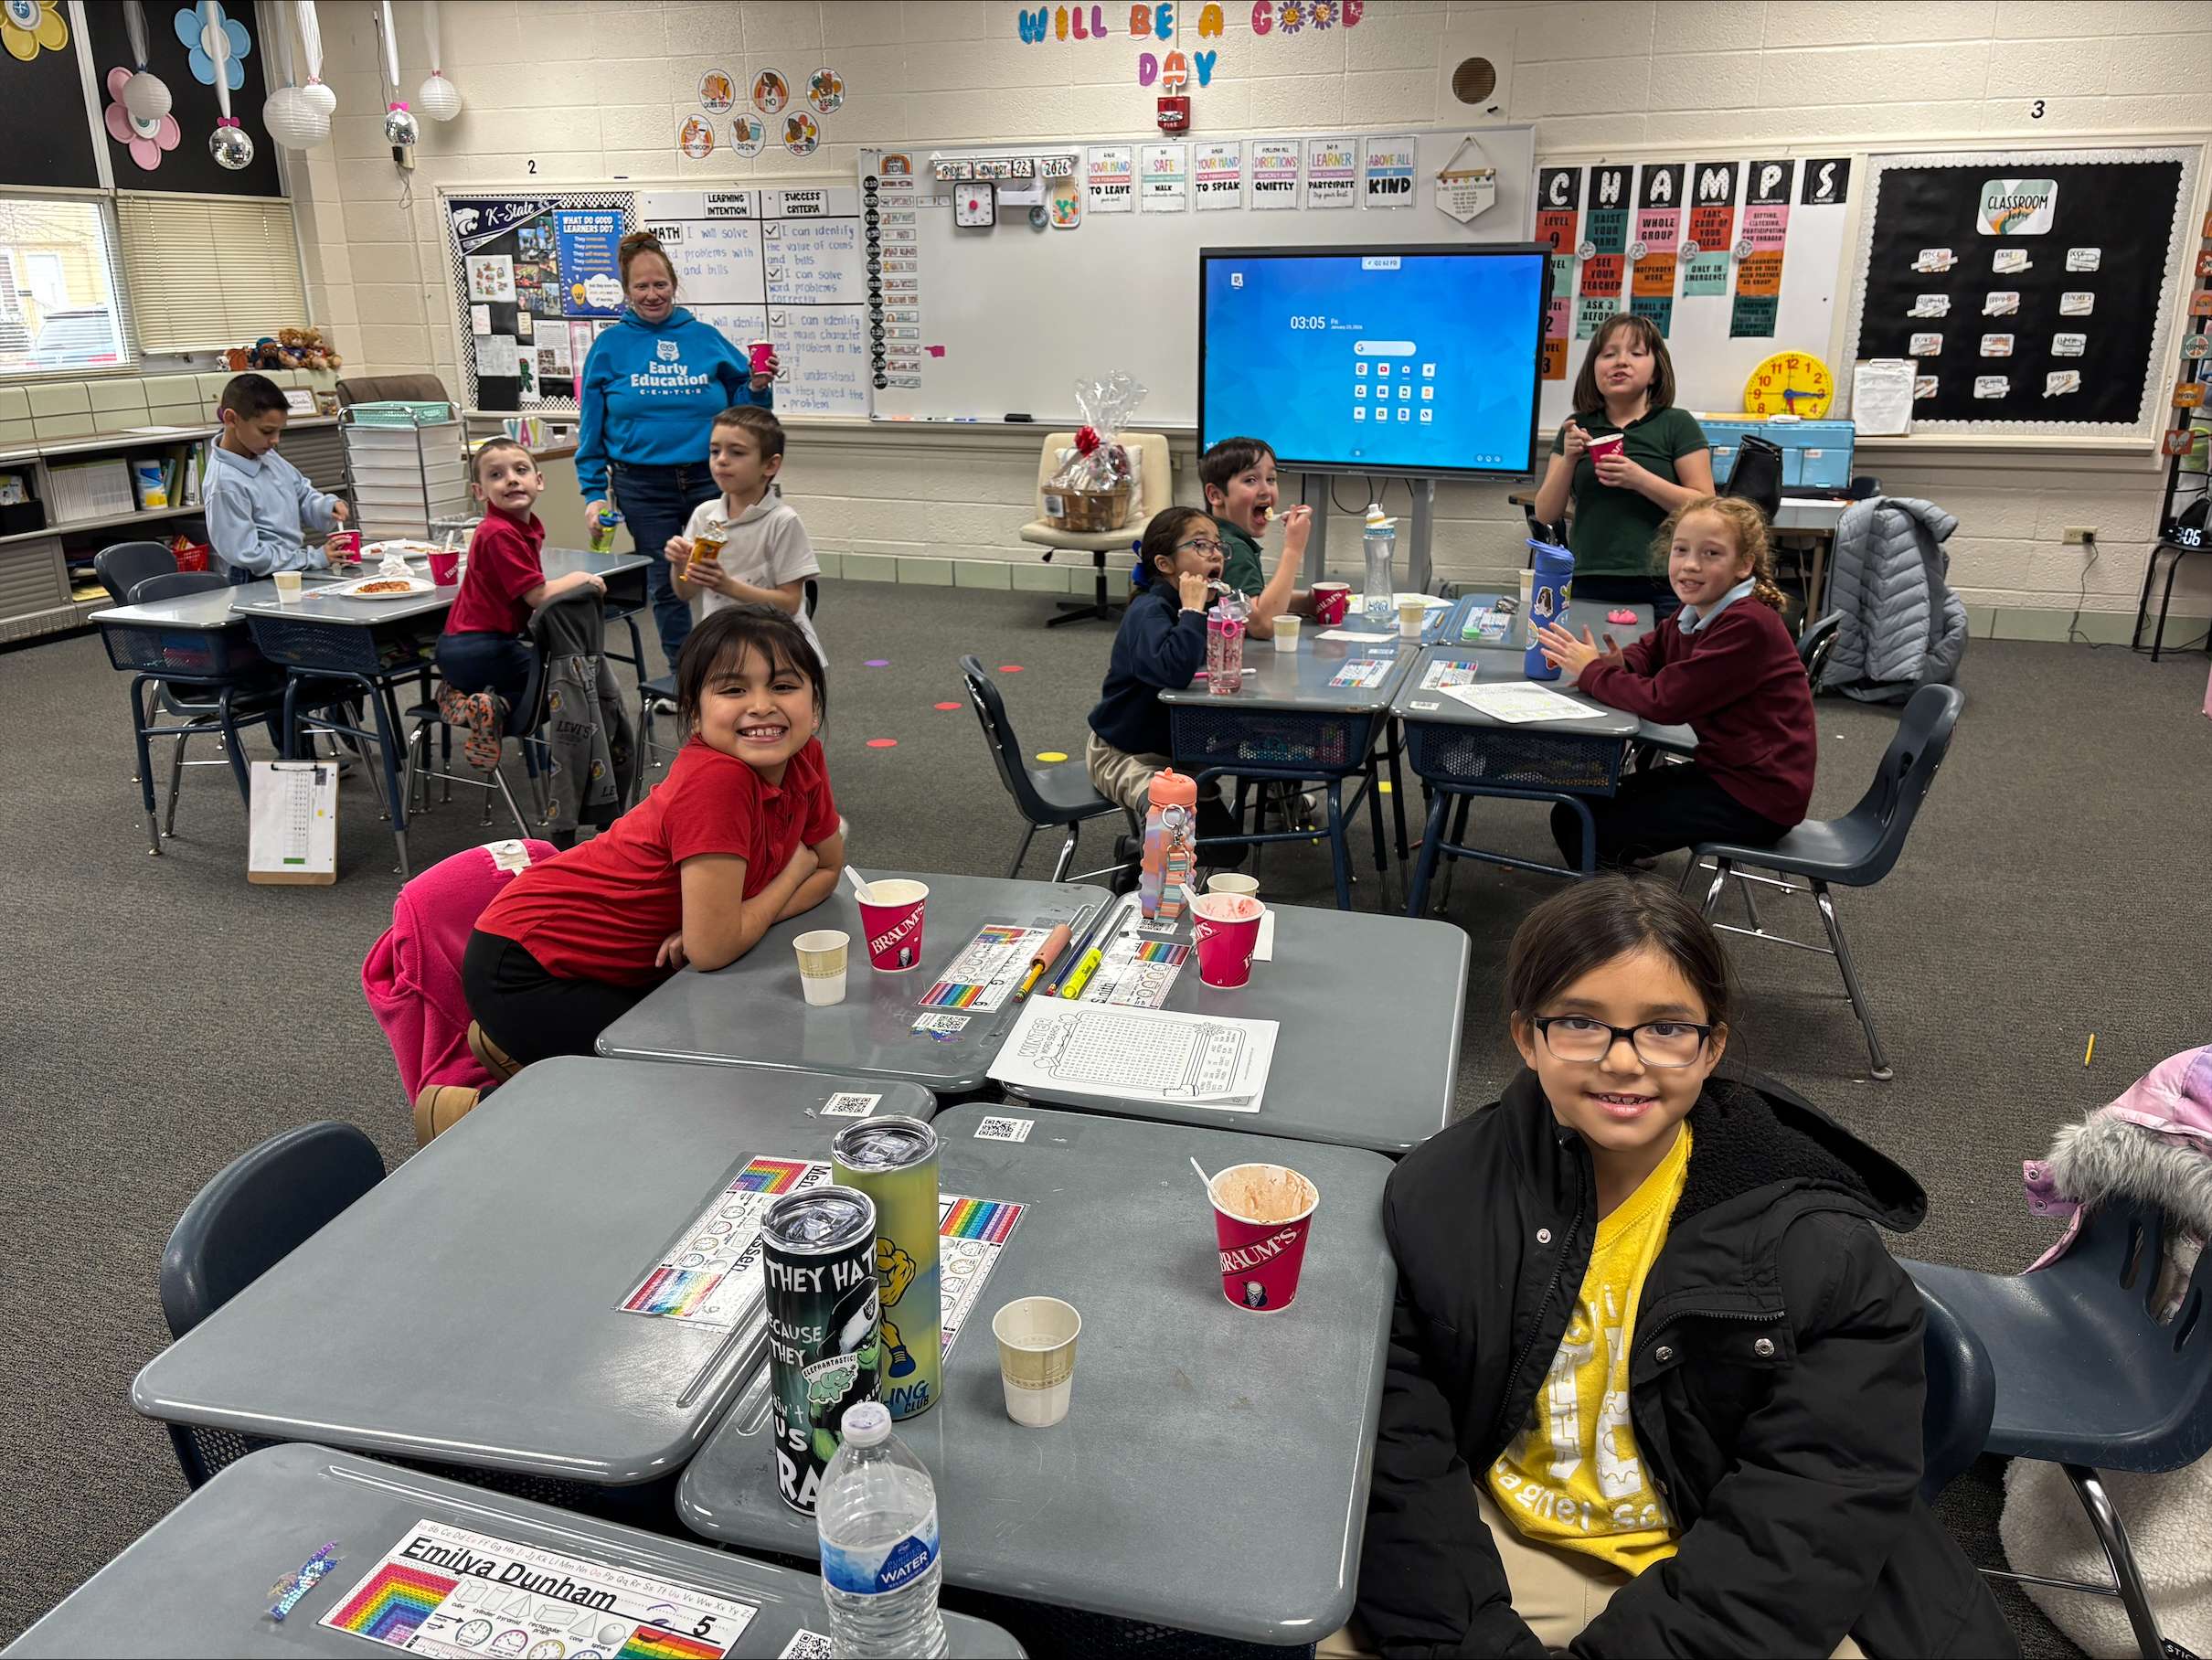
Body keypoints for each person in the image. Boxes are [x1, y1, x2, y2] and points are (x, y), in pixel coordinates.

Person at [1346, 877, 2018, 1660]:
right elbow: (1400, 1450)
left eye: (1665, 1028)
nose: (1623, 1062)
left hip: (1710, 1554)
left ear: (1714, 1046)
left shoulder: (1818, 1251)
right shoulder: (1439, 1192)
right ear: (1526, 1038)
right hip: (1502, 1545)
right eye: (1579, 1024)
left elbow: (1804, 1522)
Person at [461, 605, 843, 1079]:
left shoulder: (804, 753)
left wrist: (740, 920)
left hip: (618, 964)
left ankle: (529, 1052)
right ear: (695, 714)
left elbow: (827, 869)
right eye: (733, 689)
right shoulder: (717, 782)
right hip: (531, 968)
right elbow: (715, 947)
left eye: (784, 686)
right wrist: (788, 876)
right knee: (676, 1086)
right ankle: (471, 1105)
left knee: (726, 1047)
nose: (762, 705)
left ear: (815, 703)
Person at [1534, 494, 1813, 870]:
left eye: (1711, 554)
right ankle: (1618, 870)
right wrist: (1620, 662)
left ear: (1744, 565)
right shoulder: (1700, 609)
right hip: (1729, 771)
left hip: (1757, 796)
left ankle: (1616, 914)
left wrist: (1593, 672)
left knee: (1578, 821)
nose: (1690, 565)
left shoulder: (1746, 623)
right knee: (1582, 807)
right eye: (1681, 550)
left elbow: (1666, 702)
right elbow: (1652, 650)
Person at [575, 230, 777, 669]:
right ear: (628, 292)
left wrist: (758, 387)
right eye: (642, 286)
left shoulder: (703, 337)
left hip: (712, 477)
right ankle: (687, 673)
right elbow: (590, 431)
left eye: (660, 284)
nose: (653, 294)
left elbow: (747, 409)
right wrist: (593, 494)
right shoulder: (609, 347)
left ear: (673, 284)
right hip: (643, 486)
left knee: (728, 572)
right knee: (668, 584)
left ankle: (738, 663)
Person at [1085, 505, 1309, 856]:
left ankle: (1152, 845)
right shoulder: (1148, 611)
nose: (1215, 553)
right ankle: (1137, 860)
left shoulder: (1206, 605)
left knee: (1227, 851)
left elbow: (1255, 624)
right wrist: (1191, 610)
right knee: (1173, 816)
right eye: (1201, 545)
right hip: (1124, 755)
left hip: (1178, 751)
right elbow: (1174, 670)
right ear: (1165, 565)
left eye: (1218, 546)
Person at [434, 439, 609, 769]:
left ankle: (482, 704)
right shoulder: (498, 532)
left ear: (538, 481)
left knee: (550, 686)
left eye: (520, 470)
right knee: (563, 686)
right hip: (477, 647)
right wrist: (583, 578)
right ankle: (457, 701)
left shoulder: (519, 528)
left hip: (474, 648)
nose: (511, 479)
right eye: (497, 475)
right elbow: (537, 595)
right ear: (479, 491)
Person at [1530, 314, 1714, 618]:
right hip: (1589, 577)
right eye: (1609, 354)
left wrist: (1640, 479)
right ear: (1594, 369)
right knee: (1590, 664)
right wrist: (1570, 460)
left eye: (1636, 353)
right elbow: (1546, 513)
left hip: (1665, 581)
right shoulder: (1577, 427)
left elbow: (1706, 506)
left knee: (1657, 665)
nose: (1621, 362)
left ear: (1656, 372)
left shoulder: (1676, 424)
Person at [668, 405, 824, 667]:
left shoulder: (782, 521)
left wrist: (727, 586)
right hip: (721, 645)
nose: (721, 460)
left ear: (770, 465)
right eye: (715, 451)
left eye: (737, 452)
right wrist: (679, 564)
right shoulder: (705, 515)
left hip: (777, 649)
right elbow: (685, 592)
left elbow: (790, 602)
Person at [204, 372, 348, 583]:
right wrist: (314, 558)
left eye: (279, 431)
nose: (275, 440)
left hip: (288, 566)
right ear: (231, 419)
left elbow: (301, 492)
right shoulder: (225, 483)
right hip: (256, 578)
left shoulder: (266, 455)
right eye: (266, 431)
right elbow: (247, 554)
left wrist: (325, 506)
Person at [1200, 435, 1308, 639]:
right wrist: (1294, 549)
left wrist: (1307, 602)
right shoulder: (1230, 548)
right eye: (1250, 480)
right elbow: (1263, 625)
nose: (1266, 490)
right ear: (1215, 495)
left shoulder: (1218, 534)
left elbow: (1248, 600)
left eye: (1271, 479)